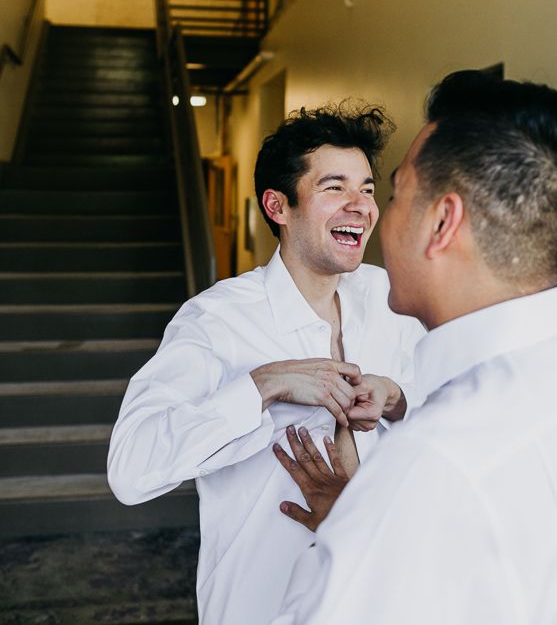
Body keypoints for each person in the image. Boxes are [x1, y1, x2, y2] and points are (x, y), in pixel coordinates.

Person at [272, 73, 557, 624]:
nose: (374, 218)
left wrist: (357, 524)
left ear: (442, 222)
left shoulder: (431, 463)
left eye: (393, 194)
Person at [107, 103, 425, 625]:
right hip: (264, 604)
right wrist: (262, 384)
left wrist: (396, 398)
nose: (360, 206)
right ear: (278, 206)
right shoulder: (215, 320)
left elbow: (449, 413)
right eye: (334, 188)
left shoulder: (391, 297)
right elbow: (131, 470)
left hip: (379, 595)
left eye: (367, 189)